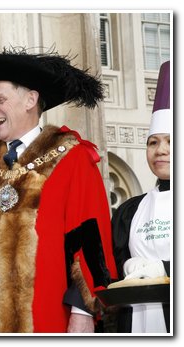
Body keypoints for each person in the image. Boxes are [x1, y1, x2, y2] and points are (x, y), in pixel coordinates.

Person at [0, 46, 118, 333]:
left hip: (46, 316)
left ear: (30, 99)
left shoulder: (72, 158)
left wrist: (83, 309)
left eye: (0, 99)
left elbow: (90, 239)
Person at [111, 61, 171, 333]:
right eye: (153, 142)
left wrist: (164, 268)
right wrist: (126, 266)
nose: (161, 150)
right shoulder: (128, 211)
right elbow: (110, 271)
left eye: (171, 140)